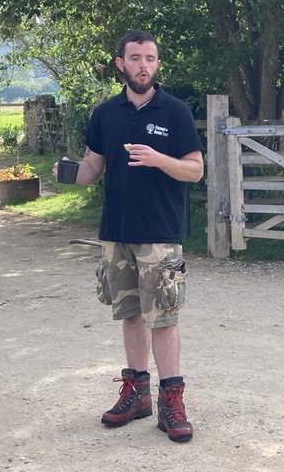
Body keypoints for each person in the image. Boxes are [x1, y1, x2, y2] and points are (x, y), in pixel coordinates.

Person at [58, 30, 204, 442]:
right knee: (130, 314)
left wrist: (159, 159)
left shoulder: (174, 112)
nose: (144, 65)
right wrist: (68, 173)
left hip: (159, 231)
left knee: (164, 317)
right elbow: (92, 169)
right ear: (120, 64)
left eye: (151, 58)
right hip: (116, 232)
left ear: (158, 64)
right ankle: (137, 394)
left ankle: (171, 403)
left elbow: (195, 170)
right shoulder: (105, 113)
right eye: (136, 58)